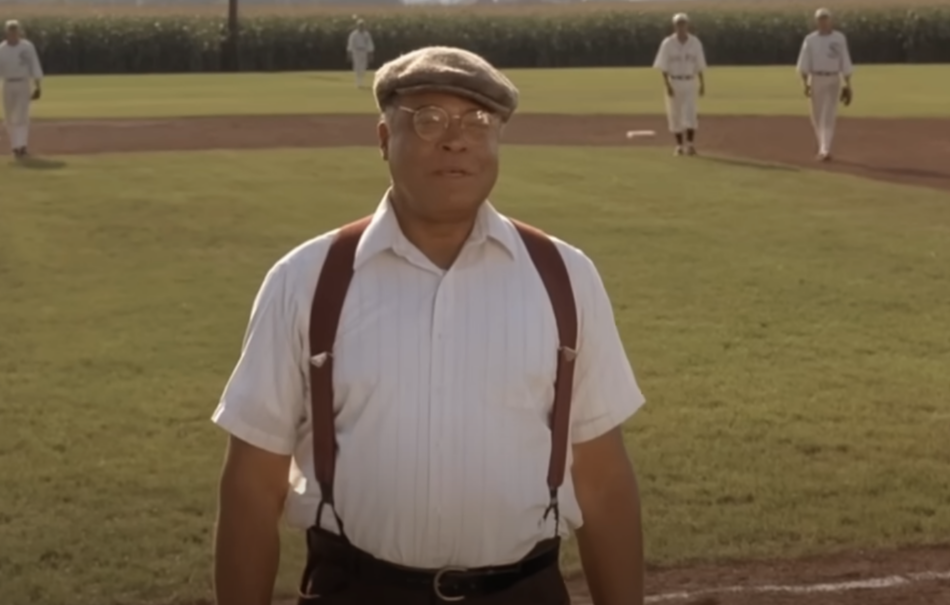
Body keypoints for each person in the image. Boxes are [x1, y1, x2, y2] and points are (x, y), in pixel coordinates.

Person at [211, 45, 646, 605]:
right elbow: (251, 486)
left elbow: (604, 480)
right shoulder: (305, 281)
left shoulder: (565, 277)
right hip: (356, 590)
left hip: (524, 592)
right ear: (384, 139)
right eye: (428, 119)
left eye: (478, 120)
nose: (456, 138)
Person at [796, 8, 854, 161]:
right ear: (816, 21)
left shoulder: (839, 38)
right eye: (821, 19)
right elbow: (804, 63)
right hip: (816, 78)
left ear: (830, 20)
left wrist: (848, 84)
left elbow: (845, 61)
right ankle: (822, 145)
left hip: (833, 77)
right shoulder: (810, 39)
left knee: (828, 114)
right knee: (816, 114)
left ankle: (825, 149)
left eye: (825, 18)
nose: (823, 21)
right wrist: (804, 83)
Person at [653, 13, 707, 156]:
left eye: (683, 23)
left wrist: (702, 84)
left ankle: (690, 145)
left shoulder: (695, 42)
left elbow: (699, 65)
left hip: (690, 81)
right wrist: (667, 85)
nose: (681, 26)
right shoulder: (668, 43)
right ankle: (679, 145)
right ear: (674, 25)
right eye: (678, 24)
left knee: (691, 113)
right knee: (674, 113)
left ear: (687, 25)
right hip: (674, 81)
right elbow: (663, 67)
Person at [0, 20, 43, 159]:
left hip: (23, 83)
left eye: (15, 30)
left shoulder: (27, 47)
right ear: (7, 32)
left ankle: (22, 146)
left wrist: (37, 85)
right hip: (8, 83)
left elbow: (34, 64)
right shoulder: (2, 49)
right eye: (10, 30)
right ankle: (14, 146)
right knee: (9, 117)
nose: (13, 33)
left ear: (19, 32)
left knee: (22, 116)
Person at [346, 19, 374, 89]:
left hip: (363, 51)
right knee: (357, 66)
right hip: (356, 51)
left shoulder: (366, 34)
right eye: (360, 25)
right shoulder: (353, 34)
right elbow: (350, 44)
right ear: (357, 26)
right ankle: (358, 82)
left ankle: (361, 81)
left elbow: (369, 44)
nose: (361, 27)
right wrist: (349, 53)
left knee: (363, 66)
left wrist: (370, 53)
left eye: (362, 25)